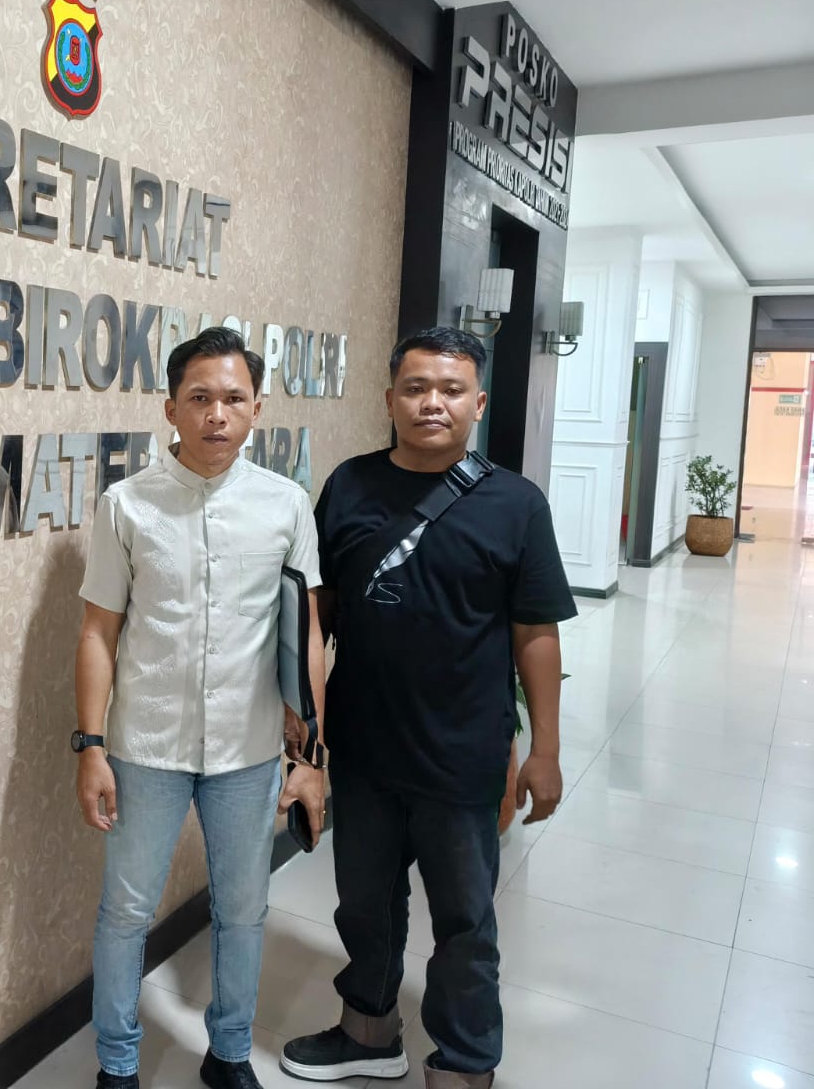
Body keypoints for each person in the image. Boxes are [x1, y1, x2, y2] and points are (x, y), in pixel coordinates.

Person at [279, 326, 575, 1089]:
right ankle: (369, 1031)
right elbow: (318, 616)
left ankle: (467, 1064)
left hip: (464, 754)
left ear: (478, 403)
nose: (432, 403)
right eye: (415, 388)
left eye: (450, 389)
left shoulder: (516, 504)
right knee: (364, 906)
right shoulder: (349, 486)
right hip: (365, 746)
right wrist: (306, 736)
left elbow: (535, 633)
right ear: (390, 399)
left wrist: (544, 749)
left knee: (464, 923)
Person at [73, 326, 327, 1089]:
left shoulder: (286, 505)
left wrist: (312, 753)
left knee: (243, 911)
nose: (218, 414)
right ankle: (117, 1064)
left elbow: (306, 635)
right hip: (144, 746)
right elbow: (97, 632)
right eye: (201, 398)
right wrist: (90, 746)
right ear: (171, 408)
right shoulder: (126, 505)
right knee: (126, 912)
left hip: (248, 749)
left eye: (234, 399)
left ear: (257, 409)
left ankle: (229, 1053)